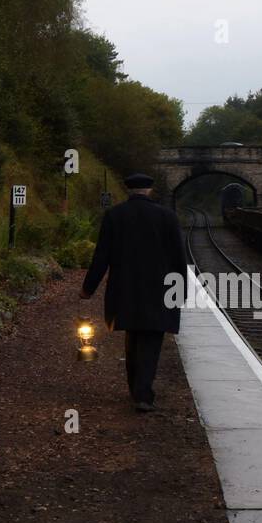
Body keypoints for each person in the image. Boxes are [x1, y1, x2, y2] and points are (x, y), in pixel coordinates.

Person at [79, 174, 187, 412]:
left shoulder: (115, 216)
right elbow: (179, 258)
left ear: (128, 190)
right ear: (149, 190)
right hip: (159, 289)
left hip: (124, 288)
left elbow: (101, 257)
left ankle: (135, 388)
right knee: (151, 338)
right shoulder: (168, 217)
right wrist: (181, 291)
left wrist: (88, 288)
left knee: (133, 336)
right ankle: (143, 393)